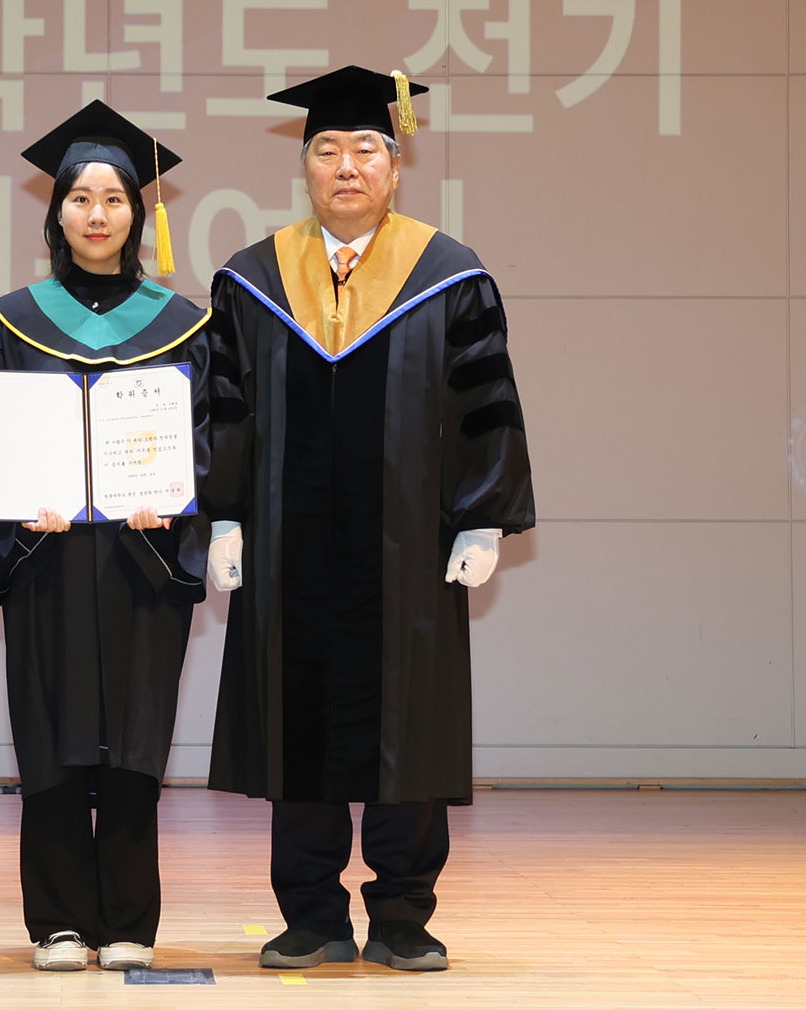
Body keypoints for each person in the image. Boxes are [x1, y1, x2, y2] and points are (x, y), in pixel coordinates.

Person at [204, 65, 536, 972]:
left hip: (410, 547)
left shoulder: (448, 275)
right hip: (287, 547)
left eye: (364, 149)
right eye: (327, 149)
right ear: (304, 167)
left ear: (395, 166)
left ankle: (401, 913)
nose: (345, 166)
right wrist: (223, 518)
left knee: (409, 724)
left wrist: (482, 519)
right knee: (296, 722)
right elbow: (222, 408)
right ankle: (310, 912)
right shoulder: (252, 279)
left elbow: (486, 401)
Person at [0, 101, 223, 973]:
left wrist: (176, 500)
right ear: (56, 213)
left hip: (143, 560)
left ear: (138, 213)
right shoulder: (7, 322)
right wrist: (9, 508)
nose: (97, 214)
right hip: (48, 555)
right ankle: (60, 921)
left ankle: (130, 919)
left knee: (138, 736)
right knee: (51, 732)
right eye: (80, 198)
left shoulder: (182, 323)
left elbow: (211, 435)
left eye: (114, 198)